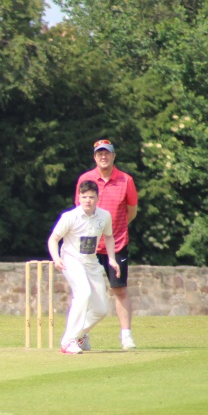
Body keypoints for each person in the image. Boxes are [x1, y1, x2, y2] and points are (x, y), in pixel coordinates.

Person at [75, 139, 139, 350]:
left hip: (117, 242)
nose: (103, 156)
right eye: (99, 153)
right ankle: (82, 335)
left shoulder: (125, 180)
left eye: (107, 153)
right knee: (86, 291)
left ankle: (126, 335)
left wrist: (112, 229)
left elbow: (131, 211)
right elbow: (80, 210)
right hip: (89, 244)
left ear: (113, 156)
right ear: (95, 157)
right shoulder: (86, 179)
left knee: (119, 289)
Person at [48, 180, 120, 354]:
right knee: (83, 293)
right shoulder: (70, 217)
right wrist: (56, 258)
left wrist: (112, 259)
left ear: (97, 198)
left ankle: (80, 335)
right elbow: (53, 239)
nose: (88, 200)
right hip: (71, 260)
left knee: (101, 310)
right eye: (84, 196)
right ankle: (68, 341)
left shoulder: (104, 216)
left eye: (91, 197)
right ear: (79, 197)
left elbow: (109, 237)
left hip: (91, 262)